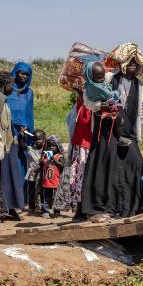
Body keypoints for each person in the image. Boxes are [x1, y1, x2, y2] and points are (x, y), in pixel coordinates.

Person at [81, 43, 143, 223]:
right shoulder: (108, 78)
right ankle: (97, 209)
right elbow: (87, 99)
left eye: (136, 64)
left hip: (128, 131)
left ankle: (132, 208)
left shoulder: (139, 84)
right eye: (129, 63)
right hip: (106, 131)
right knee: (105, 168)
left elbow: (142, 108)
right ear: (122, 63)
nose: (132, 67)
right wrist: (100, 106)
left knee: (135, 164)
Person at [1, 62, 35, 220]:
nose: (24, 76)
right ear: (15, 73)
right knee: (6, 168)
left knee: (20, 169)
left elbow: (29, 114)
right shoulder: (7, 91)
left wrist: (28, 135)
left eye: (27, 74)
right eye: (21, 73)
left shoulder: (29, 93)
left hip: (21, 135)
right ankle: (5, 203)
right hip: (7, 133)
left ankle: (17, 203)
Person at [53, 90, 92, 218]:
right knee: (78, 178)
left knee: (82, 178)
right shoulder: (82, 103)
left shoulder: (93, 101)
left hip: (87, 146)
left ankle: (83, 209)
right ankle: (80, 209)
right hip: (81, 146)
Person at [40, 135, 65, 219]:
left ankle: (57, 212)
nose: (51, 148)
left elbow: (62, 165)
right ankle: (45, 211)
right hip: (47, 182)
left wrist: (54, 159)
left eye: (54, 146)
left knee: (56, 198)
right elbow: (42, 163)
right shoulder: (46, 155)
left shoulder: (59, 156)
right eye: (49, 146)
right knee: (46, 198)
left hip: (56, 182)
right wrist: (46, 157)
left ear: (58, 147)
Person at [25, 129, 45, 214]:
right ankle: (31, 207)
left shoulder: (47, 150)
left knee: (42, 192)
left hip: (42, 174)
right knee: (31, 191)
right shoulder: (29, 149)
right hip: (32, 175)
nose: (37, 141)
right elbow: (21, 146)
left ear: (44, 139)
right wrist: (22, 135)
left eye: (39, 139)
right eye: (35, 139)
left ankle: (43, 207)